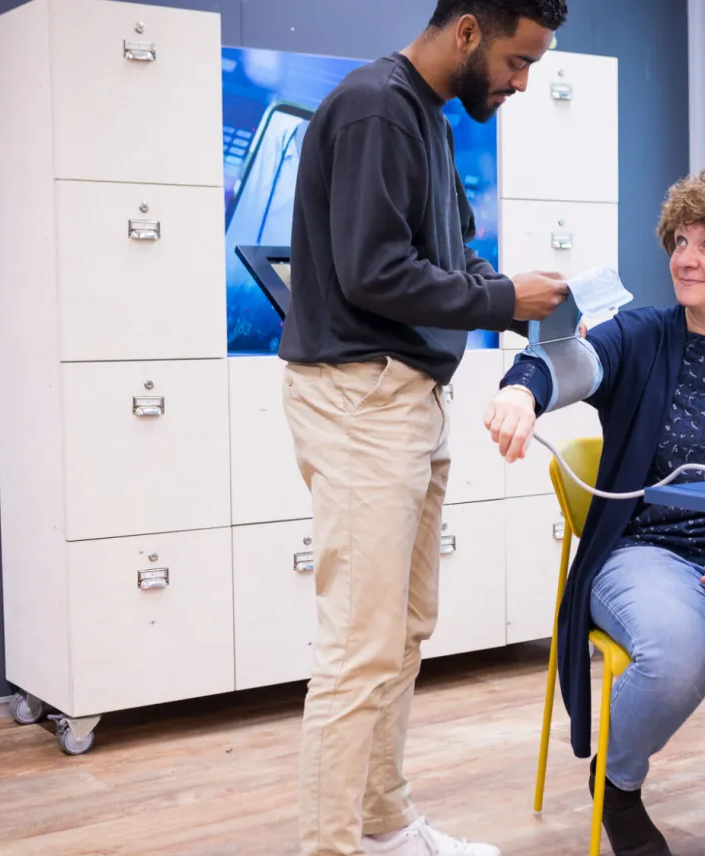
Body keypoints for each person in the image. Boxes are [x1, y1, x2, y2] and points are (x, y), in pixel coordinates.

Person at [483, 169, 705, 856]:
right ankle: (616, 788)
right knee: (677, 660)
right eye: (681, 240)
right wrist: (521, 392)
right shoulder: (642, 336)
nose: (686, 256)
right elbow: (571, 362)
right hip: (647, 551)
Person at [277, 3, 570, 855]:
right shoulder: (377, 106)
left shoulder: (428, 121)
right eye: (518, 63)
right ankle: (332, 846)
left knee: (402, 632)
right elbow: (374, 271)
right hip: (362, 400)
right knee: (359, 648)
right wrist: (496, 299)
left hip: (408, 398)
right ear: (469, 30)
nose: (520, 84)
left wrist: (522, 304)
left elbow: (453, 260)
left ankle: (383, 823)